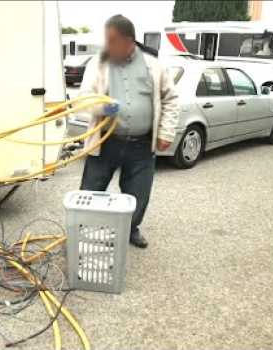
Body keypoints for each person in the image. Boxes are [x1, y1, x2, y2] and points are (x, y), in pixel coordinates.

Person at [78, 14, 179, 248]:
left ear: (129, 40)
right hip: (106, 141)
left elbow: (171, 99)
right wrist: (102, 107)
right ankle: (81, 232)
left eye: (113, 40)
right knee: (91, 190)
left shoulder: (153, 65)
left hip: (142, 145)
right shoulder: (98, 63)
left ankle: (130, 229)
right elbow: (82, 100)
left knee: (138, 193)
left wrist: (166, 132)